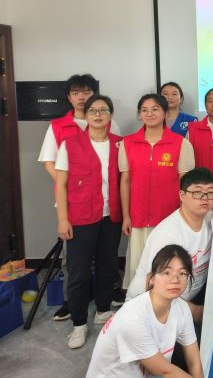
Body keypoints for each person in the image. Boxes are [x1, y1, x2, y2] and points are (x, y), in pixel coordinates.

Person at [38, 73, 121, 321]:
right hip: (75, 206)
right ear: (69, 97)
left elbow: (119, 171)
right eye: (76, 93)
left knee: (107, 261)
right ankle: (75, 309)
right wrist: (77, 187)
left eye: (87, 92)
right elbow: (50, 163)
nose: (82, 97)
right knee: (75, 265)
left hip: (107, 208)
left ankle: (103, 304)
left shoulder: (113, 130)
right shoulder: (58, 127)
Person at [55, 95, 123, 349]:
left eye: (103, 110)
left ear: (110, 115)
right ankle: (79, 323)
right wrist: (63, 219)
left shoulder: (119, 144)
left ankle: (103, 310)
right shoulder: (70, 144)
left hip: (111, 216)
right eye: (93, 110)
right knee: (79, 273)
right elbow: (61, 185)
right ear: (86, 115)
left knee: (108, 266)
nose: (98, 115)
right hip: (81, 217)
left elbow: (126, 181)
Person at [87, 244, 203, 378]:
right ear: (151, 278)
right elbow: (166, 371)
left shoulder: (182, 309)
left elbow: (194, 361)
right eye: (166, 272)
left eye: (182, 273)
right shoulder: (133, 319)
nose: (175, 280)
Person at [126, 168, 213, 329]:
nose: (205, 198)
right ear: (182, 195)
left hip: (185, 299)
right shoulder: (168, 235)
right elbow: (153, 288)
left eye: (210, 192)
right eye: (197, 192)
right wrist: (196, 312)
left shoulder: (212, 220)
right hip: (149, 307)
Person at [120, 94, 195, 288]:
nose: (149, 114)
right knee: (139, 265)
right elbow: (125, 181)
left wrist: (186, 217)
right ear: (139, 115)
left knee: (168, 265)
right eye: (144, 110)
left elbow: (186, 185)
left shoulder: (181, 143)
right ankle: (138, 300)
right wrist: (126, 216)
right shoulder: (127, 143)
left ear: (165, 113)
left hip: (169, 216)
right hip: (138, 216)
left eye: (155, 109)